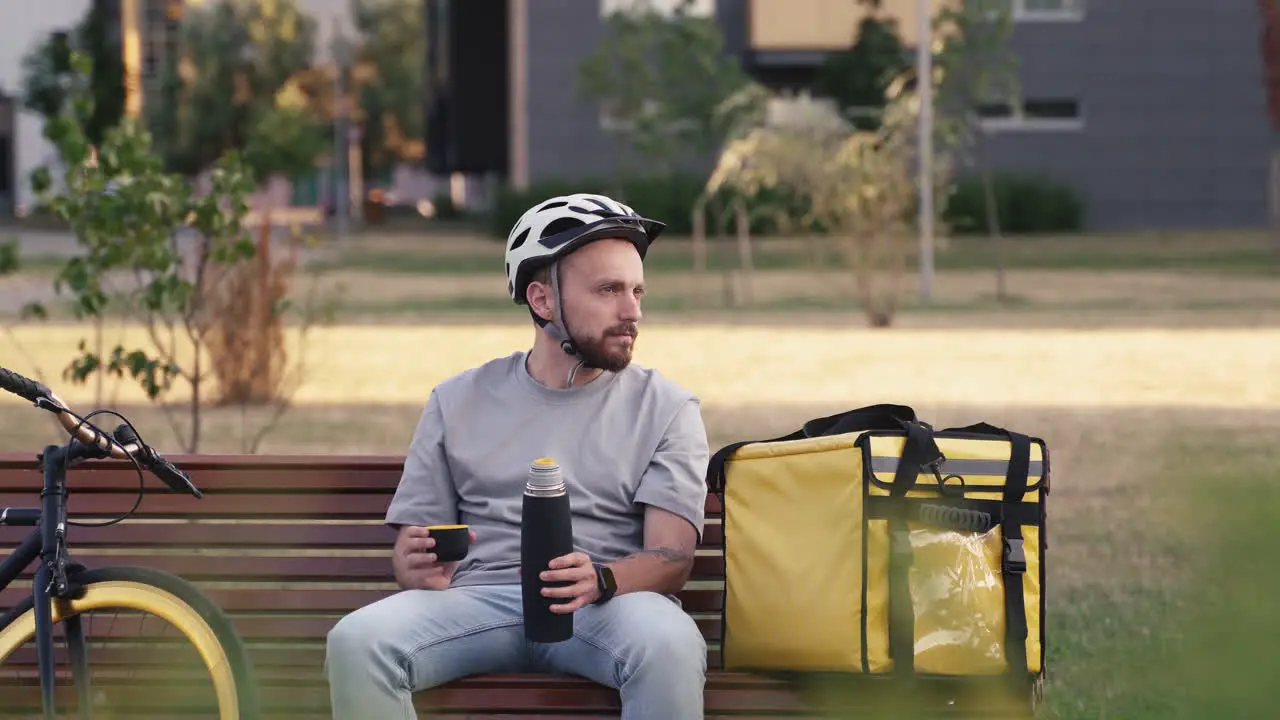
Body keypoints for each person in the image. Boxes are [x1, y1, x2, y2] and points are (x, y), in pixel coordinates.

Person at [325, 193, 711, 719]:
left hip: (606, 608)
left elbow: (673, 560)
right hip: (480, 602)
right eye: (608, 290)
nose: (632, 311)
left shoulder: (666, 408)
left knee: (668, 643)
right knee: (357, 641)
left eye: (637, 291)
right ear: (542, 299)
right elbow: (414, 552)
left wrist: (600, 580)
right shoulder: (457, 399)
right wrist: (413, 564)